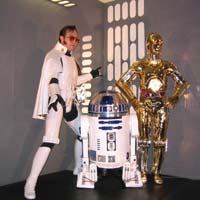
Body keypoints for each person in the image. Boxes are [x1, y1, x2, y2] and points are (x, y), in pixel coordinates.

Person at [24, 25, 101, 199]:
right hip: (57, 103)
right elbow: (52, 79)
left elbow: (73, 81)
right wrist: (55, 95)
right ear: (62, 38)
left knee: (84, 132)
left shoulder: (71, 60)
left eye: (77, 39)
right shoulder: (54, 56)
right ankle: (30, 182)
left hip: (70, 103)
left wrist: (92, 74)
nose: (75, 42)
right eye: (71, 38)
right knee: (49, 141)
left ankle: (78, 168)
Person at [116, 33, 189, 185]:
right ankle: (142, 171)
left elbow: (182, 83)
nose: (157, 46)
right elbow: (122, 82)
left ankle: (156, 171)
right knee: (143, 140)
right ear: (148, 45)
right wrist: (134, 101)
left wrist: (174, 98)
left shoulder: (167, 65)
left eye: (160, 43)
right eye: (155, 43)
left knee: (160, 141)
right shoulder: (140, 65)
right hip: (144, 104)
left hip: (161, 104)